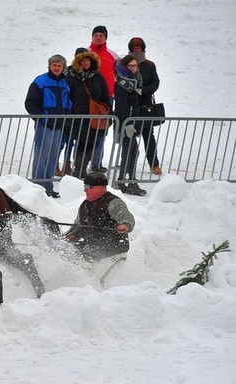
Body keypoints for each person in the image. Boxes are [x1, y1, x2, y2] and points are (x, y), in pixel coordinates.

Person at [24, 54, 72, 198]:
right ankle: (38, 186)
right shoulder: (40, 81)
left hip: (59, 125)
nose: (57, 68)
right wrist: (42, 118)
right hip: (45, 124)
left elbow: (68, 103)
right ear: (49, 66)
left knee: (53, 156)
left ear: (63, 67)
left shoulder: (65, 83)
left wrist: (67, 118)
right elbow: (30, 103)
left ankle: (48, 186)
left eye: (59, 65)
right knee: (41, 155)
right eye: (54, 65)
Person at [65, 171, 135, 262]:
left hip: (114, 246)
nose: (85, 190)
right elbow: (78, 225)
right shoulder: (85, 205)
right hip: (92, 243)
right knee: (66, 250)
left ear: (100, 188)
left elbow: (127, 217)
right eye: (84, 186)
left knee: (82, 256)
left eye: (88, 187)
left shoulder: (113, 202)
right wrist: (70, 236)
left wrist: (125, 225)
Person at [65, 48, 110, 179]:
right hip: (79, 117)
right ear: (78, 62)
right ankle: (78, 170)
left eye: (88, 59)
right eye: (82, 60)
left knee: (93, 144)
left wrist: (107, 110)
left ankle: (82, 168)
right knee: (81, 144)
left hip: (95, 117)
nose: (85, 62)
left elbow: (105, 95)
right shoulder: (71, 77)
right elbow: (67, 96)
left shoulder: (97, 76)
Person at [114, 55, 147, 196]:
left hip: (133, 121)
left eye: (135, 65)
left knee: (133, 151)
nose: (133, 68)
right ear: (125, 67)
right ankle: (124, 181)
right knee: (128, 151)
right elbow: (122, 105)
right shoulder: (121, 82)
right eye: (130, 66)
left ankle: (129, 181)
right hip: (125, 123)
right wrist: (126, 123)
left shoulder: (135, 80)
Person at [88, 25, 119, 172]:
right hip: (89, 99)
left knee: (102, 132)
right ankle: (80, 163)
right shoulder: (86, 54)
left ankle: (96, 164)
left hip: (107, 99)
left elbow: (121, 74)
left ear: (106, 38)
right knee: (86, 131)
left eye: (101, 35)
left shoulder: (113, 55)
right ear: (92, 36)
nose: (98, 37)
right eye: (96, 35)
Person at [128, 37, 161, 175]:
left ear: (143, 48)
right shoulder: (125, 64)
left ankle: (154, 164)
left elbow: (155, 83)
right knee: (128, 137)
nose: (137, 49)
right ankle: (128, 163)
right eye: (135, 48)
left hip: (146, 104)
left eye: (139, 47)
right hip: (130, 104)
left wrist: (142, 91)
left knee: (148, 136)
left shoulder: (150, 65)